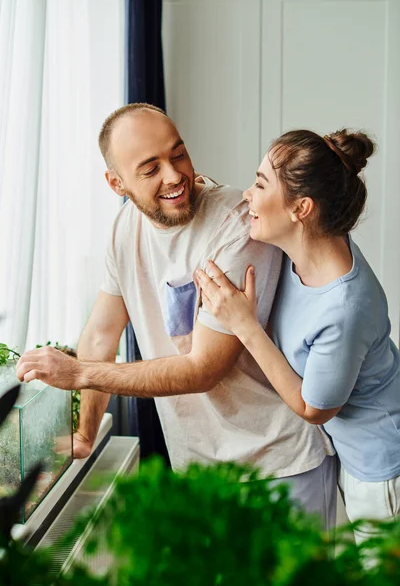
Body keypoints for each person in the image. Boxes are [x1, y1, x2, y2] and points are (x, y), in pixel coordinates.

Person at [16, 104, 336, 529]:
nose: (174, 176)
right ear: (117, 183)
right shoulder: (124, 227)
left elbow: (203, 369)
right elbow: (101, 334)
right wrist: (85, 432)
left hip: (277, 467)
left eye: (178, 154)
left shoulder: (238, 226)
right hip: (198, 471)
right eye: (150, 169)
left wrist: (78, 374)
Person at [195, 128, 400, 543]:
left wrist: (245, 326)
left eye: (259, 183)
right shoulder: (310, 242)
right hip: (353, 456)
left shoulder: (344, 306)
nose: (247, 196)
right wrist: (203, 193)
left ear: (301, 208)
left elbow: (313, 408)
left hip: (382, 469)